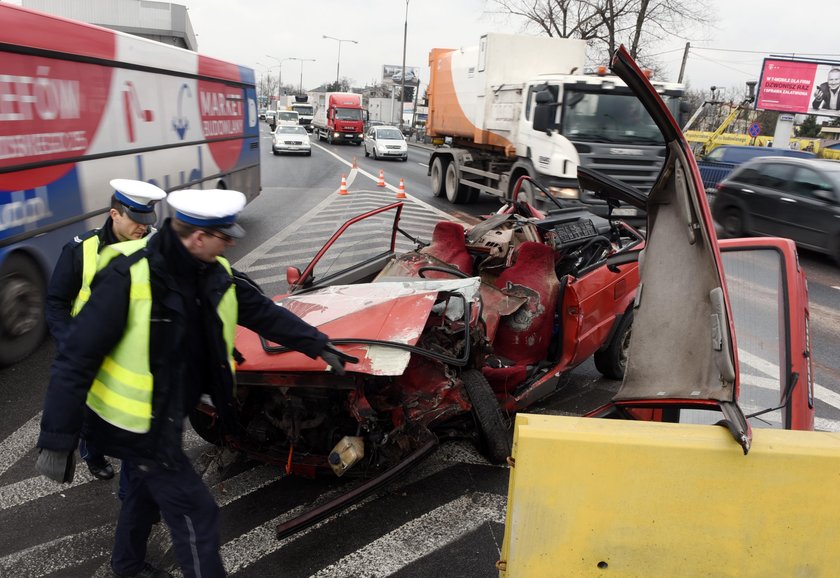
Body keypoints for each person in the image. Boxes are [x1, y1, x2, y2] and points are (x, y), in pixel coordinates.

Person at [35, 188, 353, 578]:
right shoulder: (130, 277)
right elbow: (74, 360)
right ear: (198, 237)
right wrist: (55, 440)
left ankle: (127, 565)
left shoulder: (213, 273)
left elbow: (264, 314)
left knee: (140, 495)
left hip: (169, 412)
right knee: (195, 515)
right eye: (224, 235)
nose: (232, 241)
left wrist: (318, 344)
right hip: (140, 425)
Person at [45, 179, 167, 481]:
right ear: (115, 214)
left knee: (136, 414)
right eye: (136, 220)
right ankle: (93, 454)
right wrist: (69, 341)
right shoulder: (81, 249)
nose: (143, 227)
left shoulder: (157, 247)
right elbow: (56, 302)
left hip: (134, 351)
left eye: (147, 220)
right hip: (89, 348)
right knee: (90, 411)